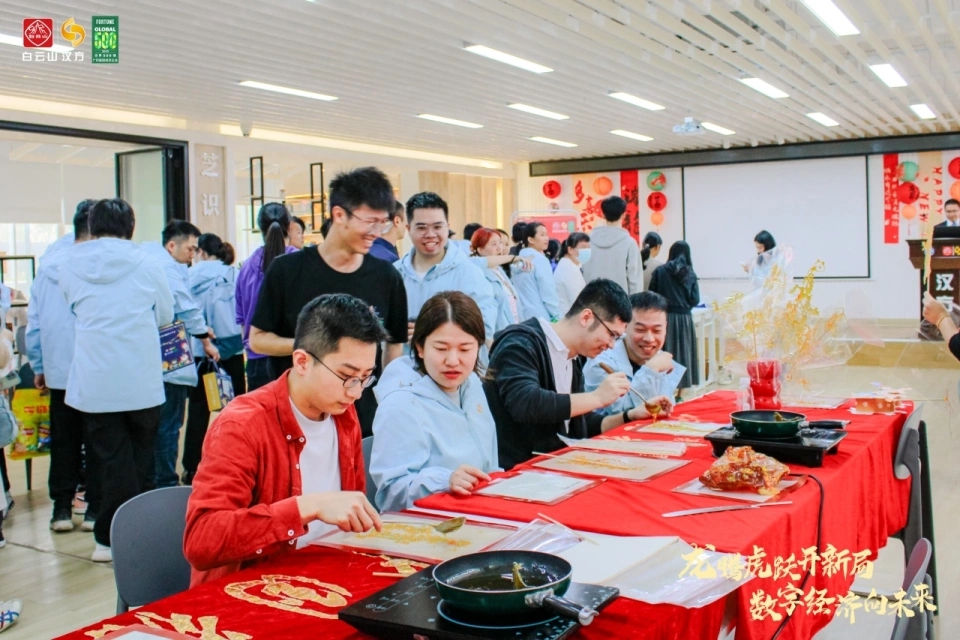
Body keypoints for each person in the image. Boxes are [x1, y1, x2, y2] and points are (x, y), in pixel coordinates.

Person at [184, 294, 384, 585]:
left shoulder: (342, 412)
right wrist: (306, 507)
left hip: (324, 576)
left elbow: (350, 514)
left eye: (366, 377)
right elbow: (202, 540)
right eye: (347, 376)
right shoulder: (242, 425)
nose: (356, 392)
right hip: (250, 591)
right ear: (302, 361)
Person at [250, 167, 408, 436]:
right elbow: (258, 340)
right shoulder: (287, 271)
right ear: (339, 214)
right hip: (294, 417)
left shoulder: (386, 276)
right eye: (369, 222)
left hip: (360, 418)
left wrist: (387, 395)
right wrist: (320, 348)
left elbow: (393, 344)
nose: (376, 232)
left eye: (383, 223)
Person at [60, 198, 175, 562]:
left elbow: (72, 307)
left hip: (94, 381)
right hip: (141, 378)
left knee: (108, 461)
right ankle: (140, 536)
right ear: (130, 227)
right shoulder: (149, 262)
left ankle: (107, 540)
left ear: (92, 226)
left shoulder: (67, 263)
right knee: (142, 460)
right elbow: (166, 315)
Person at [486, 279, 668, 470]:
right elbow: (525, 403)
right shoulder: (520, 343)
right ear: (586, 317)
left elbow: (581, 424)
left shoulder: (574, 357)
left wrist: (629, 415)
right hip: (518, 471)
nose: (612, 345)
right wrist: (597, 397)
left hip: (555, 468)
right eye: (611, 334)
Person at [370, 292, 498, 512]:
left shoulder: (472, 384)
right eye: (441, 349)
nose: (453, 361)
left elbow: (490, 464)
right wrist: (444, 481)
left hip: (480, 509)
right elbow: (391, 493)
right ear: (420, 348)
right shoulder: (400, 403)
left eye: (465, 349)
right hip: (430, 522)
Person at [26, 199, 101, 533]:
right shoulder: (98, 265)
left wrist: (39, 364)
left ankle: (60, 510)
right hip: (96, 367)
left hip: (58, 369)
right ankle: (94, 510)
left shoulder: (47, 266)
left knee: (63, 441)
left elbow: (35, 322)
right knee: (99, 439)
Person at [144, 221, 219, 489]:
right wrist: (204, 336)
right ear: (171, 245)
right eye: (190, 248)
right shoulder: (166, 268)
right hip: (169, 358)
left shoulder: (149, 261)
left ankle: (155, 481)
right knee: (168, 425)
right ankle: (165, 483)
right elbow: (186, 308)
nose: (193, 255)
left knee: (158, 425)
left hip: (149, 360)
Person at [182, 233, 246, 486]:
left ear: (201, 252)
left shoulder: (188, 276)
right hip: (232, 349)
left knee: (198, 410)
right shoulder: (233, 274)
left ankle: (191, 467)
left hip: (201, 350)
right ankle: (235, 462)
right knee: (236, 410)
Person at [395, 192, 497, 346]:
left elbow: (484, 328)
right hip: (404, 361)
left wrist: (427, 333)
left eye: (437, 227)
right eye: (421, 227)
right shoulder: (395, 273)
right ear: (408, 229)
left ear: (447, 228)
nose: (430, 234)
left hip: (453, 361)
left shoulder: (469, 273)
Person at [584, 292, 684, 415]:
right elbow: (625, 414)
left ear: (665, 328)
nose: (649, 339)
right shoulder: (601, 363)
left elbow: (664, 409)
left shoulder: (660, 358)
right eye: (640, 330)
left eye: (657, 330)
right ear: (625, 326)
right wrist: (651, 370)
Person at [235, 203, 296, 391]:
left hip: (256, 363)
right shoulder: (299, 262)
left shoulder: (246, 267)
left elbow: (242, 320)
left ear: (259, 228)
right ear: (290, 226)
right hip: (294, 361)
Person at [648, 241, 700, 391]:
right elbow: (695, 299)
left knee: (664, 351)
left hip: (664, 317)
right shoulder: (690, 273)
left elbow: (652, 294)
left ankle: (664, 389)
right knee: (684, 353)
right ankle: (680, 392)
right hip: (684, 319)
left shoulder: (660, 271)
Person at [582, 196, 642, 294]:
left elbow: (581, 272)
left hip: (591, 298)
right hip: (619, 300)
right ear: (623, 215)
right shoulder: (630, 243)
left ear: (603, 215)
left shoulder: (587, 241)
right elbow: (634, 280)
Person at [470, 229, 521, 332]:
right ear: (480, 249)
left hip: (513, 330)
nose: (500, 248)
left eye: (500, 243)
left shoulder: (499, 270)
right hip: (498, 334)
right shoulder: (478, 274)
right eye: (494, 244)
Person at [512, 222, 561, 322]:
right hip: (541, 317)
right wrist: (557, 315)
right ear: (531, 239)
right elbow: (548, 292)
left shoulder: (517, 261)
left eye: (546, 234)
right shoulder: (540, 260)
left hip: (522, 316)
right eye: (542, 235)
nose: (546, 238)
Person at [553, 232, 590, 316]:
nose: (587, 251)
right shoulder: (569, 269)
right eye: (584, 247)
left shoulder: (569, 266)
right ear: (570, 250)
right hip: (570, 316)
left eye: (589, 247)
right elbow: (577, 300)